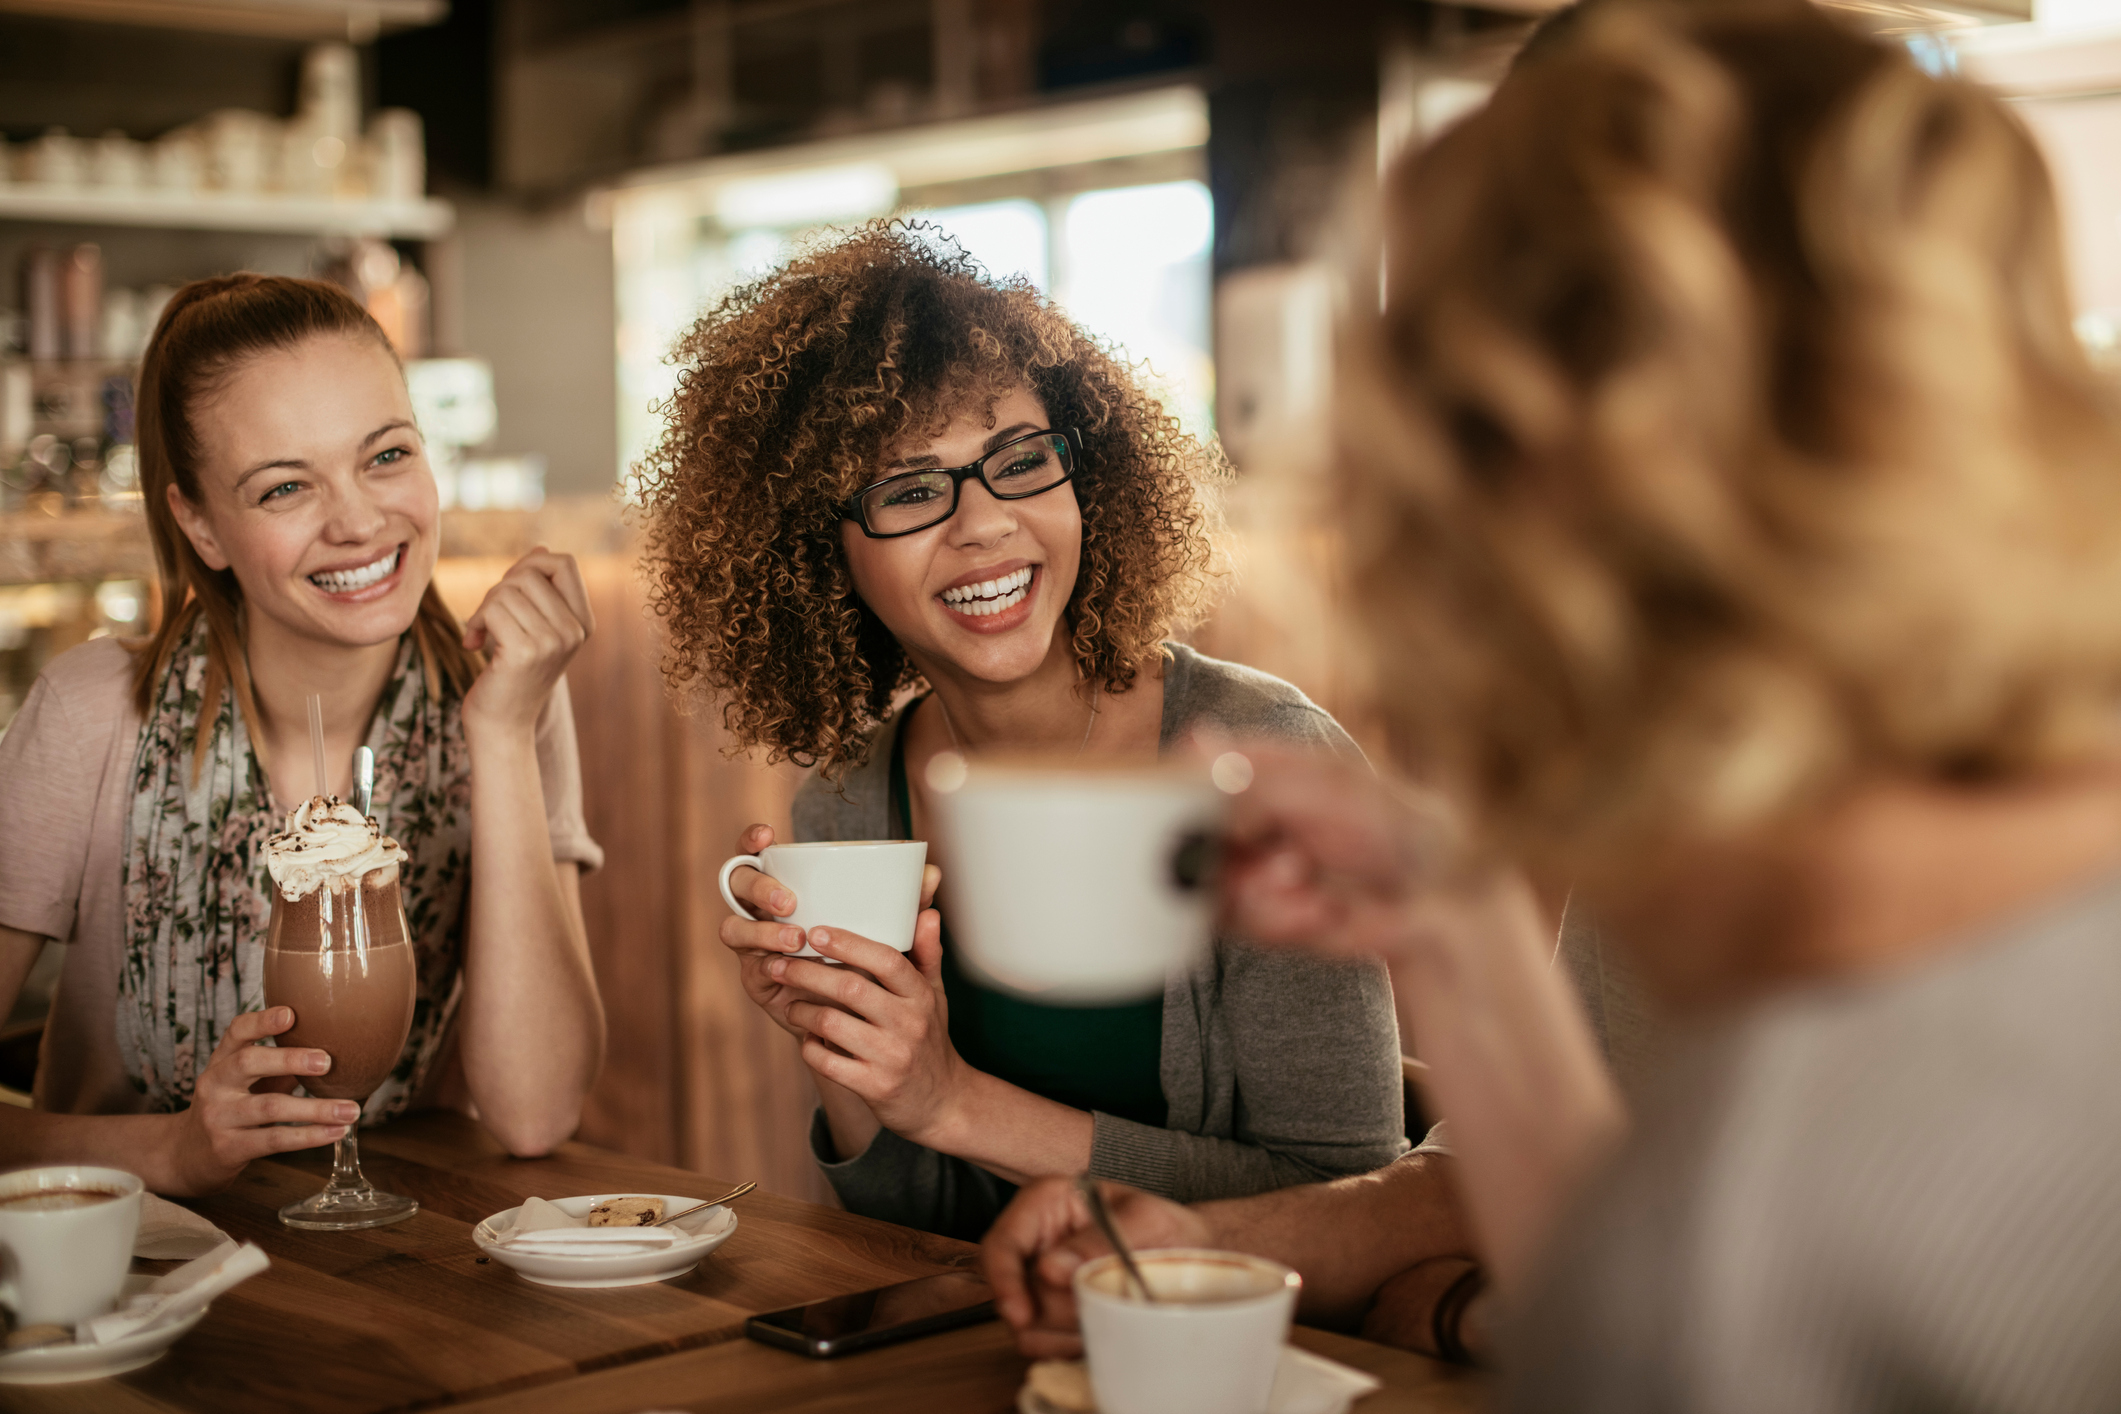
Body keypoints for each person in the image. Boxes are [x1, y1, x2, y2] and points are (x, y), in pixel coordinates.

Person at [985, 1, 2121, 1405]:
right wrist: (1241, 1231)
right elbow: (1640, 1224)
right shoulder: (1761, 821)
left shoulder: (1885, 1089)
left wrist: (1460, 1308)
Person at [634, 223, 1417, 1242]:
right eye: (911, 490)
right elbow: (904, 1219)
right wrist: (842, 1046)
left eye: (1019, 459)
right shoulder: (846, 802)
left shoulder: (1268, 758)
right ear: (821, 554)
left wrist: (952, 1100)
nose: (985, 524)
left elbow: (1350, 1200)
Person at [0, 275, 606, 1195]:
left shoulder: (505, 695)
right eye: (285, 486)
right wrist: (171, 1152)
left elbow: (533, 1112)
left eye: (386, 455)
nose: (359, 520)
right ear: (200, 523)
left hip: (405, 1274)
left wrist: (501, 734)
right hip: (130, 1285)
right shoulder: (94, 716)